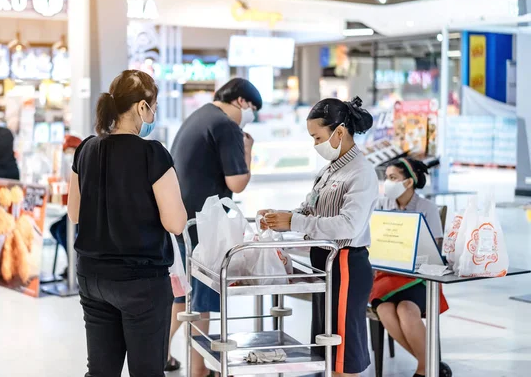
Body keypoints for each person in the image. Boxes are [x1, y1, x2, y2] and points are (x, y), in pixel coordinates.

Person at [67, 70, 187, 377]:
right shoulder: (152, 153)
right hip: (141, 281)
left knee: (101, 371)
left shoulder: (86, 148)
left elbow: (74, 214)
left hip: (92, 276)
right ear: (142, 107)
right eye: (154, 106)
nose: (154, 113)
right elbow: (175, 223)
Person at [261, 97, 377, 377]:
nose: (315, 145)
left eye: (318, 137)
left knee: (343, 353)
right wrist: (283, 217)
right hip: (324, 264)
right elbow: (310, 207)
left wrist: (296, 221)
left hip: (346, 264)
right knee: (326, 348)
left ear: (339, 131)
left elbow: (349, 226)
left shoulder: (361, 173)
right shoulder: (329, 171)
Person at [168, 77, 261, 376]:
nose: (250, 117)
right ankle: (199, 371)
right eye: (253, 110)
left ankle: (158, 356)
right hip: (205, 228)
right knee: (202, 301)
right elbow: (237, 182)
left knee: (183, 298)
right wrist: (248, 151)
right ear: (242, 103)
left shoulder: (198, 116)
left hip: (182, 222)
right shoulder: (226, 126)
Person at [370, 157, 450, 377]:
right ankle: (432, 364)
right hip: (387, 275)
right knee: (385, 310)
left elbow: (434, 250)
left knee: (406, 310)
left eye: (393, 178)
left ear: (409, 182)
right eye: (386, 178)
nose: (387, 183)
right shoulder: (380, 205)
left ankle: (424, 369)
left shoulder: (428, 208)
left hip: (420, 277)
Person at [49, 135, 82, 277]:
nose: (68, 156)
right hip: (79, 211)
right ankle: (74, 263)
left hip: (89, 214)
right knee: (55, 228)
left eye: (70, 151)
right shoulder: (73, 167)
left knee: (62, 230)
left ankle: (76, 265)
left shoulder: (84, 164)